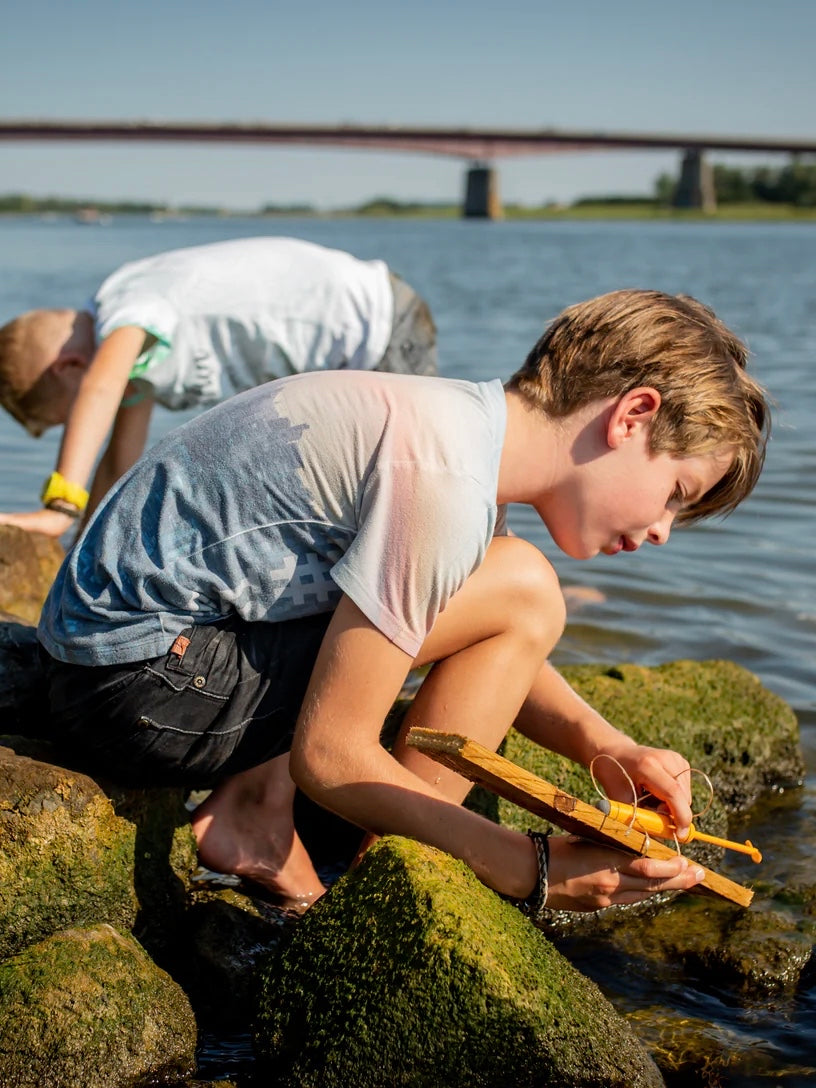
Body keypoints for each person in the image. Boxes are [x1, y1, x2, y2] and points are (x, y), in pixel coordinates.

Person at [36, 289, 769, 916]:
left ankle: (258, 812)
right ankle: (376, 892)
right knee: (526, 588)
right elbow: (330, 754)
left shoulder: (456, 430)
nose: (663, 531)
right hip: (141, 684)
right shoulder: (443, 482)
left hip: (111, 667)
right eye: (677, 494)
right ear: (633, 415)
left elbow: (462, 620)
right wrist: (530, 866)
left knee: (516, 589)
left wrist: (603, 744)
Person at [0, 236, 437, 537]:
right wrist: (81, 550)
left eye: (70, 415)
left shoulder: (126, 308)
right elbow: (118, 460)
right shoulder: (134, 351)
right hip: (341, 359)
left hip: (376, 326)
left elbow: (101, 388)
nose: (86, 422)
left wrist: (60, 507)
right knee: (358, 502)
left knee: (419, 492)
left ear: (68, 366)